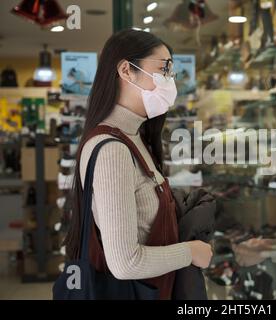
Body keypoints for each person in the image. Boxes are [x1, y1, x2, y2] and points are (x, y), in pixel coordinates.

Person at [63, 29, 212, 299]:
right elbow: (124, 263)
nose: (171, 81)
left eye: (172, 72)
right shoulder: (112, 150)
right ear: (126, 70)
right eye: (164, 69)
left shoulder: (134, 138)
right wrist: (191, 252)